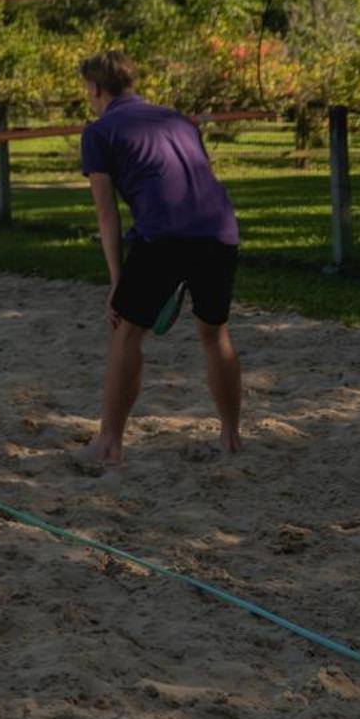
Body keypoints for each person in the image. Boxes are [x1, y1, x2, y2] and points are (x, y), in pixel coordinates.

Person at [76, 50, 243, 466]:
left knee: (127, 332)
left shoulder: (99, 131)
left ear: (96, 88)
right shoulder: (178, 119)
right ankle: (231, 438)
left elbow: (106, 213)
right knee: (215, 333)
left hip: (165, 235)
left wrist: (117, 281)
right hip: (220, 230)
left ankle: (109, 445)